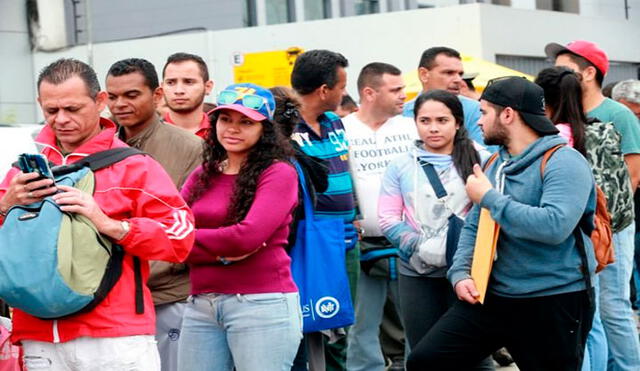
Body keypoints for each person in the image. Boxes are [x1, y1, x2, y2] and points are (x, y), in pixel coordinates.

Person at [0, 58, 195, 369]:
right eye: (51, 110)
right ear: (40, 104)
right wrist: (5, 205)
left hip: (115, 337)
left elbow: (180, 239)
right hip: (38, 336)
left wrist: (110, 225)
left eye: (73, 109)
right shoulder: (21, 172)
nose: (61, 119)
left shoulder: (134, 166)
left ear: (100, 101)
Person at [406, 77, 597, 370]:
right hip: (493, 296)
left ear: (508, 114)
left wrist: (490, 198)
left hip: (553, 299)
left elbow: (554, 226)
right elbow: (475, 224)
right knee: (425, 361)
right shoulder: (496, 163)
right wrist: (460, 273)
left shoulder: (565, 161)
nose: (478, 122)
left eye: (484, 112)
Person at [177, 83, 302, 371]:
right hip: (201, 305)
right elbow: (172, 230)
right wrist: (220, 249)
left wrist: (191, 243)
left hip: (261, 305)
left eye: (246, 122)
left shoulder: (279, 173)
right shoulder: (203, 174)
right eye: (225, 119)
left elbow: (245, 237)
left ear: (265, 129)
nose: (232, 129)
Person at [379, 89, 493, 371]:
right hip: (418, 273)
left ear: (457, 122)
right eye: (425, 120)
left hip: (472, 272)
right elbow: (387, 219)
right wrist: (421, 247)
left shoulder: (484, 160)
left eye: (442, 120)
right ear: (414, 122)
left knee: (477, 355)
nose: (433, 128)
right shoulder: (401, 165)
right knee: (423, 354)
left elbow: (495, 211)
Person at [547, 40, 640, 371]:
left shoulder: (618, 114)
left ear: (589, 72)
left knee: (614, 305)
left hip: (612, 227)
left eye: (565, 68)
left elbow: (632, 174)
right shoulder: (562, 114)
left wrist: (605, 222)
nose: (559, 75)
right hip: (577, 227)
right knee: (591, 309)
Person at [105, 57, 203, 371]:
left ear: (156, 95)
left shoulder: (190, 148)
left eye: (131, 95)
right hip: (111, 300)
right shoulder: (99, 147)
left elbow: (190, 226)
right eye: (113, 96)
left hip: (166, 295)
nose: (120, 104)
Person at [342, 62, 414, 371]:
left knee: (417, 322)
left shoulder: (412, 128)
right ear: (369, 93)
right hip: (361, 244)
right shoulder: (342, 130)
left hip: (411, 243)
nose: (404, 95)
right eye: (395, 90)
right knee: (361, 324)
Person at [290, 49, 358, 371]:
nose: (344, 93)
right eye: (342, 86)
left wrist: (355, 215)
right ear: (323, 90)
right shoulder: (284, 126)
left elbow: (345, 171)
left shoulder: (334, 122)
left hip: (346, 241)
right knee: (310, 325)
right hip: (309, 244)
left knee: (341, 328)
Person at [403, 46, 490, 149]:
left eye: (460, 74)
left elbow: (487, 158)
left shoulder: (475, 110)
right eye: (449, 73)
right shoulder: (401, 114)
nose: (458, 79)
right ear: (424, 74)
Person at [161, 52, 214, 138]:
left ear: (208, 87)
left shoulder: (224, 134)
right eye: (170, 83)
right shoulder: (144, 136)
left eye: (188, 82)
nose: (179, 90)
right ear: (162, 87)